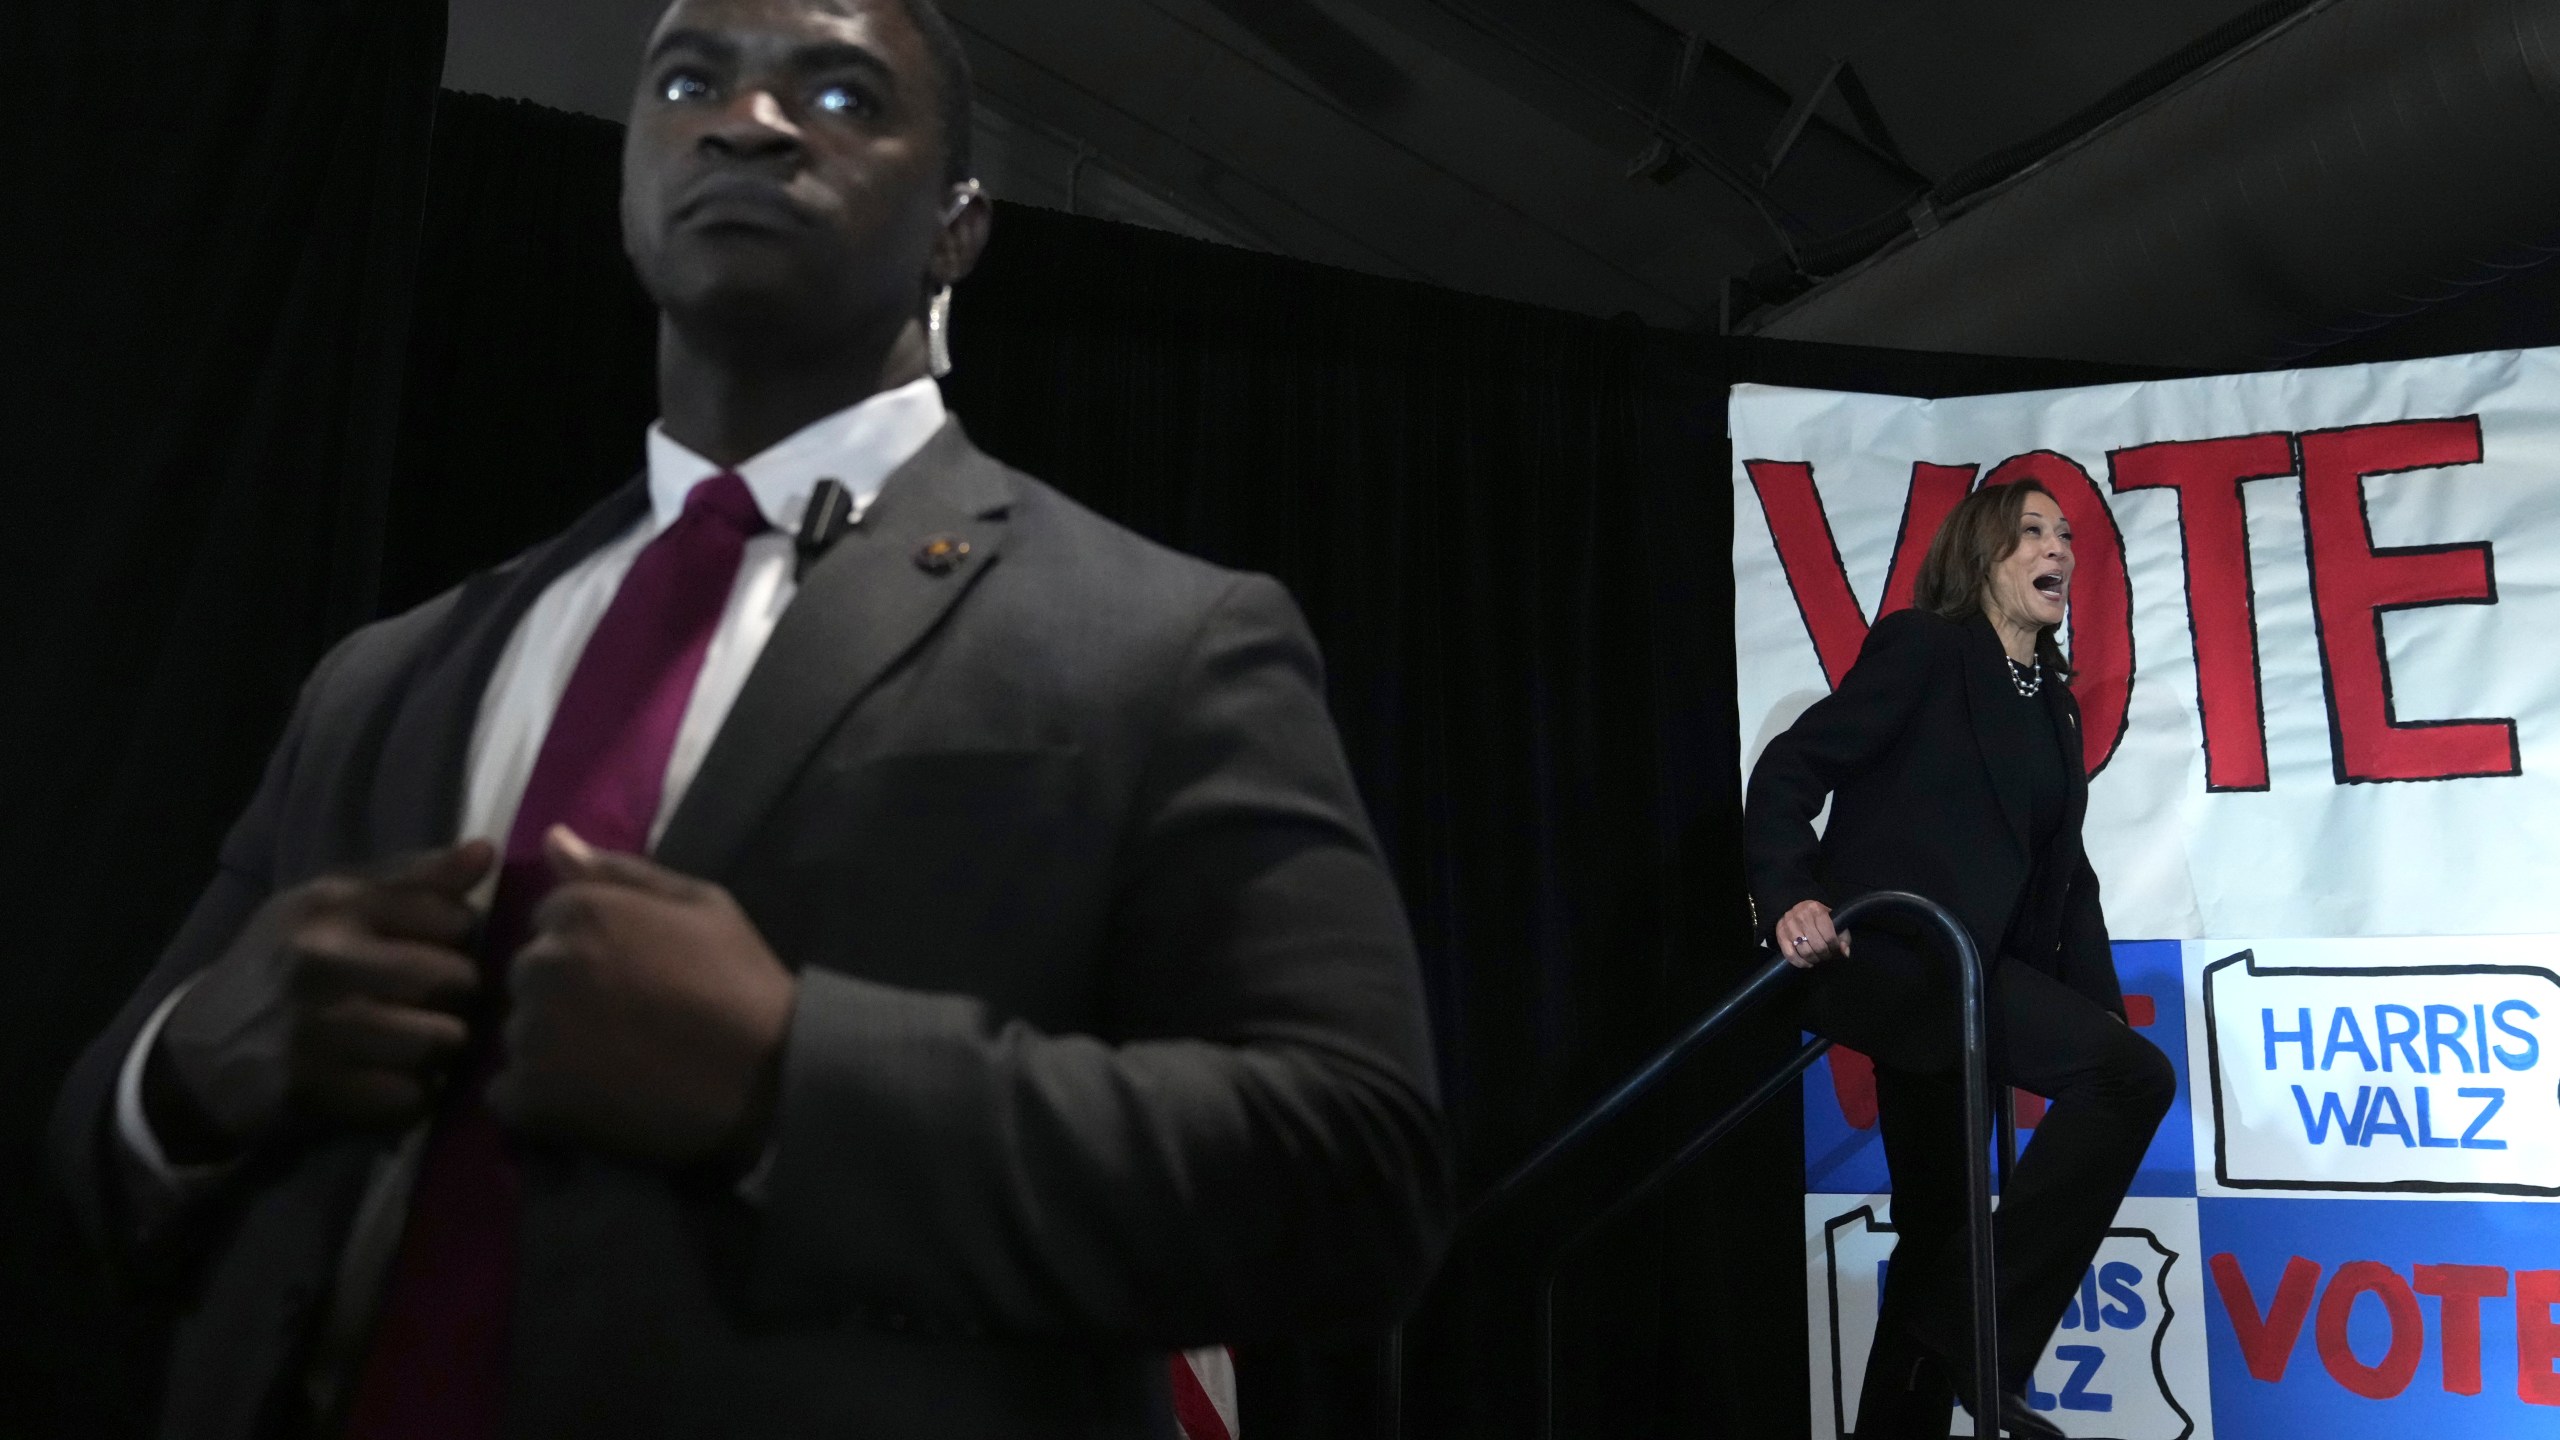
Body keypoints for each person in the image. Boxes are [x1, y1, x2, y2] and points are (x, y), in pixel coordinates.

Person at [47, 0, 1448, 1436]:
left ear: (958, 228)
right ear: (631, 176)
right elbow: (93, 1151)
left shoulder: (1168, 641)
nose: (747, 119)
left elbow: (1353, 1179)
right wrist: (200, 1063)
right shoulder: (385, 675)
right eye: (688, 81)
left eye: (839, 96)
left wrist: (788, 1078)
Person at [1742, 481, 2175, 1438]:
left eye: (2065, 534)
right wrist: (1790, 892)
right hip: (1904, 961)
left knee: (1942, 1229)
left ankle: (1920, 1385)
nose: (2058, 547)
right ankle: (1976, 1332)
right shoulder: (1926, 649)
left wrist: (2095, 1010)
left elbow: (2071, 882)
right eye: (2032, 532)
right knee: (2133, 1080)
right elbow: (1790, 767)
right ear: (1982, 555)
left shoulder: (2053, 709)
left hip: (1971, 987)